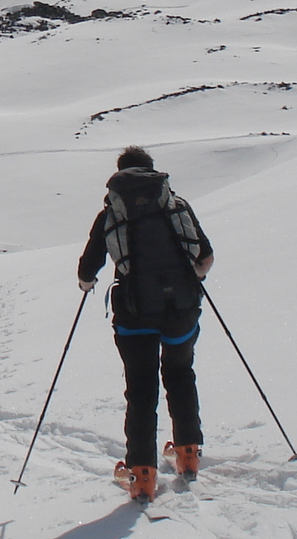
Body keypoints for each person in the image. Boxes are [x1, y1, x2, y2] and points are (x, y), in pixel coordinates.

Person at [76, 146, 214, 502]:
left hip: (135, 313)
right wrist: (189, 279)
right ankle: (187, 455)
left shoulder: (111, 213)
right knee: (181, 374)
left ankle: (142, 476)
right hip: (181, 308)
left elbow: (88, 268)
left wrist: (86, 283)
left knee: (141, 390)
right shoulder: (175, 205)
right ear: (153, 173)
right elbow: (205, 255)